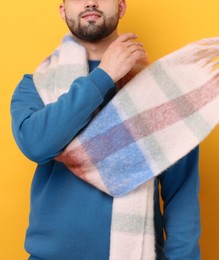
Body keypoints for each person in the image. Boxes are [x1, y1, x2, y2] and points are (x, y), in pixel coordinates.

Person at [10, 0, 201, 259]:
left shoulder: (162, 90)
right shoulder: (35, 85)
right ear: (63, 10)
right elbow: (36, 145)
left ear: (121, 7)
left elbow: (181, 196)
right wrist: (105, 75)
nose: (90, 1)